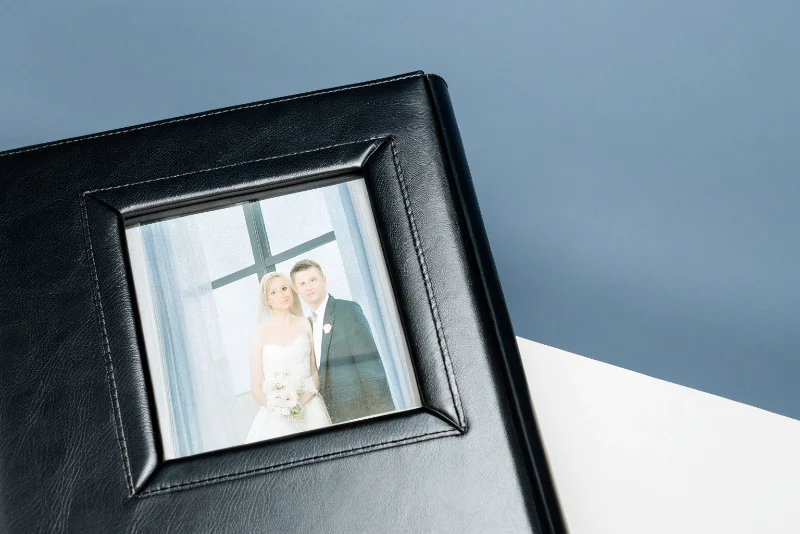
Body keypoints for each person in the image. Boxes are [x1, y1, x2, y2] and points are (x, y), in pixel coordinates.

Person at [290, 259, 395, 424]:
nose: (308, 287)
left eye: (313, 280)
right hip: (331, 418)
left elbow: (371, 369)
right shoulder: (307, 325)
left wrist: (385, 419)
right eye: (302, 284)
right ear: (296, 290)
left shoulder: (347, 311)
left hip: (360, 413)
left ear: (324, 280)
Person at [245, 272, 331, 444]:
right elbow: (256, 388)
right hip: (275, 416)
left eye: (284, 288)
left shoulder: (306, 324)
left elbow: (315, 374)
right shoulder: (259, 335)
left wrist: (298, 404)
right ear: (267, 300)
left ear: (292, 291)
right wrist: (280, 410)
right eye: (273, 292)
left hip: (310, 406)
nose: (282, 295)